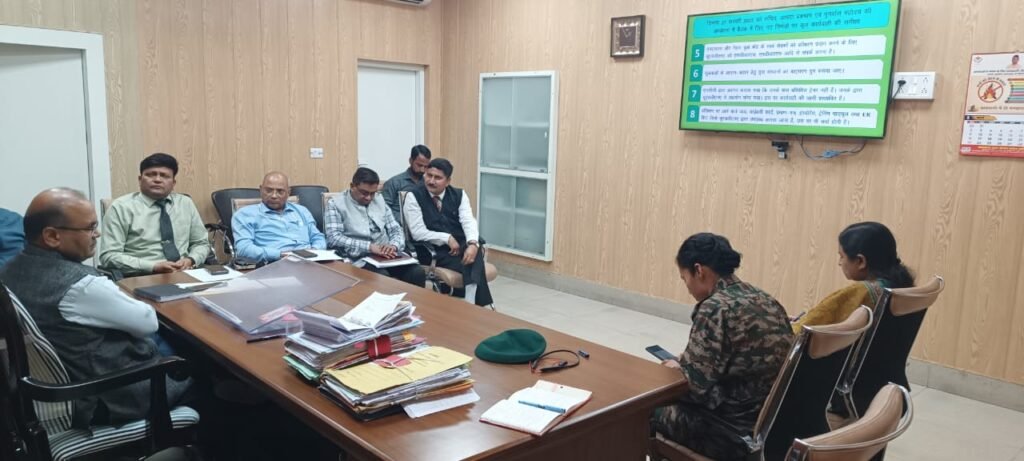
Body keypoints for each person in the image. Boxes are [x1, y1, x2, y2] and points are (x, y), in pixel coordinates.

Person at [0, 188, 191, 428]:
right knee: (204, 372)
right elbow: (147, 322)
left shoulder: (10, 269)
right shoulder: (80, 286)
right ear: (52, 236)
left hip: (56, 388)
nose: (97, 234)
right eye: (90, 228)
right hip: (108, 396)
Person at [652, 233, 793, 460]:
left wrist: (674, 371)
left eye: (684, 278)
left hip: (731, 433)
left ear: (699, 270)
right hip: (774, 425)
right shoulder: (766, 299)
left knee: (642, 410)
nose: (687, 287)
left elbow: (694, 391)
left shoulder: (714, 308)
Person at [791, 222, 914, 333]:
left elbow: (799, 332)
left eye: (842, 256)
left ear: (861, 261)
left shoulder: (860, 293)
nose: (839, 263)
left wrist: (786, 325)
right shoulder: (900, 287)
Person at [99, 153, 210, 276]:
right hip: (141, 276)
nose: (157, 179)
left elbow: (201, 243)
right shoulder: (121, 207)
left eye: (164, 176)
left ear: (173, 183)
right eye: (151, 174)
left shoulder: (185, 203)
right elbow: (109, 256)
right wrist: (153, 266)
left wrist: (191, 260)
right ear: (140, 180)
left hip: (184, 273)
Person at [403, 158, 493, 306]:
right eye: (429, 175)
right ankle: (476, 305)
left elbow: (468, 221)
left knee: (473, 253)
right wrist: (446, 238)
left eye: (437, 178)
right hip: (431, 249)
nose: (431, 181)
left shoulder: (459, 195)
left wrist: (472, 244)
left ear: (448, 181)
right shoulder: (413, 196)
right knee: (473, 263)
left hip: (459, 246)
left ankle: (471, 303)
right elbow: (417, 232)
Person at [324, 167, 426, 287]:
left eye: (372, 193)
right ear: (352, 186)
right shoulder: (335, 203)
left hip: (386, 256)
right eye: (364, 193)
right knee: (382, 278)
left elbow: (395, 229)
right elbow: (333, 237)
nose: (369, 198)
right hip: (359, 259)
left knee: (417, 272)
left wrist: (393, 245)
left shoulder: (379, 199)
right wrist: (369, 247)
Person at [231, 171, 326, 263]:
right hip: (274, 262)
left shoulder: (302, 211)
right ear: (261, 189)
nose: (274, 196)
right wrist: (280, 254)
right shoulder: (245, 214)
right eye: (269, 190)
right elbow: (243, 249)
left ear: (288, 192)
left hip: (310, 261)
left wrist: (315, 251)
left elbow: (317, 237)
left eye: (280, 191)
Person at [382, 144, 432, 223]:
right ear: (410, 161)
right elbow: (383, 210)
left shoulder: (428, 184)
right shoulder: (394, 182)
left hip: (422, 225)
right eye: (419, 165)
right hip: (399, 225)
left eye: (426, 167)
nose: (422, 170)